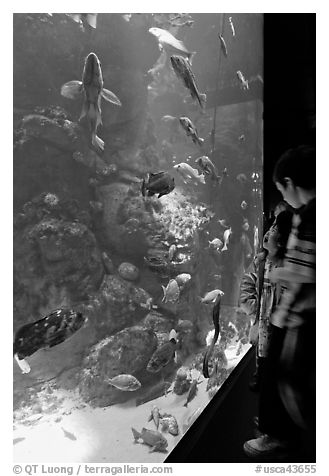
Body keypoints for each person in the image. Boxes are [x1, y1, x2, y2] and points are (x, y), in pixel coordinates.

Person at [243, 145, 316, 460]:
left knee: (284, 376)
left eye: (280, 190)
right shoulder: (311, 212)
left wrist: (277, 268)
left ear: (289, 182)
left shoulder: (309, 215)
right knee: (277, 373)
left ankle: (285, 435)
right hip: (296, 315)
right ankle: (280, 425)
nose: (283, 197)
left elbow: (305, 272)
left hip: (297, 316)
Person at [239, 205, 293, 391]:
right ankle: (261, 376)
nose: (269, 231)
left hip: (281, 328)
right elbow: (247, 285)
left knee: (278, 364)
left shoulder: (287, 266)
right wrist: (253, 312)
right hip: (262, 325)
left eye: (275, 229)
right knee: (262, 358)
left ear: (282, 242)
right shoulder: (260, 262)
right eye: (271, 227)